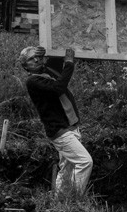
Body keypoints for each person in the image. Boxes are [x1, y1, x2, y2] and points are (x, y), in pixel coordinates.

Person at [20, 45, 93, 197]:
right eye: (31, 59)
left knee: (66, 168)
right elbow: (58, 87)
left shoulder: (45, 74)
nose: (36, 60)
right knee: (84, 162)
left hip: (69, 127)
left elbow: (53, 69)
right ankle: (75, 199)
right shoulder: (33, 81)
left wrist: (48, 53)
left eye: (37, 57)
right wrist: (69, 63)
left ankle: (58, 200)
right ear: (26, 66)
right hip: (60, 131)